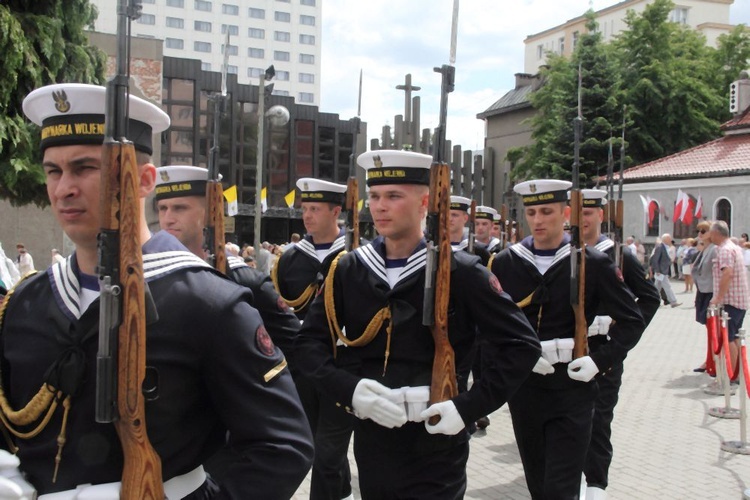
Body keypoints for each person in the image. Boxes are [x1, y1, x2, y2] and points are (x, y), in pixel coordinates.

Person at [0, 82, 313, 497]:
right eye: (53, 171)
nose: (63, 189)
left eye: (84, 168)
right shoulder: (25, 301)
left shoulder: (207, 303)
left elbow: (283, 446)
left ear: (144, 180)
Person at [295, 150, 540, 499]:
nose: (380, 206)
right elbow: (308, 345)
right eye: (375, 196)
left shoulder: (461, 271)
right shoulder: (350, 269)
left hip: (438, 437)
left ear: (425, 201)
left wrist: (468, 407)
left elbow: (521, 345)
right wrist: (349, 391)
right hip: (374, 434)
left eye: (394, 196)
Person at [490, 180, 645, 500]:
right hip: (526, 386)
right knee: (537, 481)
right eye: (531, 212)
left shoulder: (593, 262)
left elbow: (632, 320)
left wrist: (599, 360)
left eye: (547, 211)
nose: (538, 219)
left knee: (561, 487)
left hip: (574, 384)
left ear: (566, 213)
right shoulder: (506, 262)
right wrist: (515, 360)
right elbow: (490, 327)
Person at [154, 165, 301, 359]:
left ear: (209, 212)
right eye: (162, 208)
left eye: (179, 208)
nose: (167, 219)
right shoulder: (151, 273)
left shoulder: (246, 280)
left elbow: (293, 346)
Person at [272, 178, 354, 500]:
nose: (307, 216)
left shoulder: (354, 257)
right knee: (316, 446)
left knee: (328, 451)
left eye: (315, 209)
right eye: (305, 209)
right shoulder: (290, 259)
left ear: (336, 211)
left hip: (341, 365)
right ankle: (342, 493)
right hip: (301, 366)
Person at [578, 190, 660, 499]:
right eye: (577, 212)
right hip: (569, 350)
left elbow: (650, 298)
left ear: (601, 215)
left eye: (588, 213)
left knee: (598, 420)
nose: (582, 219)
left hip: (605, 351)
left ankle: (596, 484)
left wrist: (621, 336)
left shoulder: (619, 255)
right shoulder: (563, 254)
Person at [709, 220, 750, 380]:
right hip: (739, 299)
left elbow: (727, 274)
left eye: (711, 233)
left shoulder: (725, 249)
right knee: (735, 336)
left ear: (717, 233)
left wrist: (718, 297)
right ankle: (738, 371)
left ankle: (733, 375)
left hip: (731, 301)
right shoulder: (733, 247)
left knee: (730, 337)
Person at [691, 221, 717, 373]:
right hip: (703, 290)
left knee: (712, 328)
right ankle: (709, 359)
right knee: (708, 328)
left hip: (710, 291)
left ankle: (712, 360)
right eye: (698, 230)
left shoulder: (714, 249)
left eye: (703, 230)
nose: (700, 233)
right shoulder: (704, 249)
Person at [650, 234, 682, 308]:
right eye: (669, 239)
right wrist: (657, 270)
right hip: (661, 271)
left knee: (657, 287)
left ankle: (653, 301)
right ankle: (673, 302)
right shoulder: (660, 247)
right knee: (667, 286)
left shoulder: (664, 247)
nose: (670, 240)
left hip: (663, 270)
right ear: (665, 239)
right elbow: (655, 259)